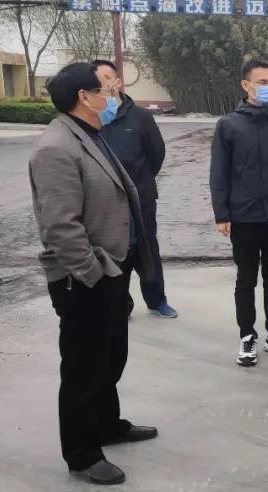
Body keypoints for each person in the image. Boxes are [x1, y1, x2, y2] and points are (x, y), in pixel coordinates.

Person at [30, 62, 159, 485]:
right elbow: (60, 226)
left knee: (109, 357)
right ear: (84, 97)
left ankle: (107, 424)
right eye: (105, 88)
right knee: (83, 368)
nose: (113, 94)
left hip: (113, 267)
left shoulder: (90, 134)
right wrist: (92, 273)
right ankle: (82, 453)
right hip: (84, 278)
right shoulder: (56, 148)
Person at [210, 60, 268, 367]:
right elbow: (219, 173)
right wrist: (222, 214)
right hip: (244, 217)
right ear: (246, 85)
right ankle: (247, 335)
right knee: (246, 280)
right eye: (262, 82)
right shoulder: (229, 125)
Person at [91, 59, 177, 320]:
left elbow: (156, 153)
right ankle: (122, 304)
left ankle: (157, 300)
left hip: (141, 198)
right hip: (106, 202)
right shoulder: (91, 117)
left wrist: (141, 180)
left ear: (118, 82)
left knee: (147, 249)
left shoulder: (140, 117)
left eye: (106, 78)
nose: (102, 84)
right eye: (96, 81)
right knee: (114, 253)